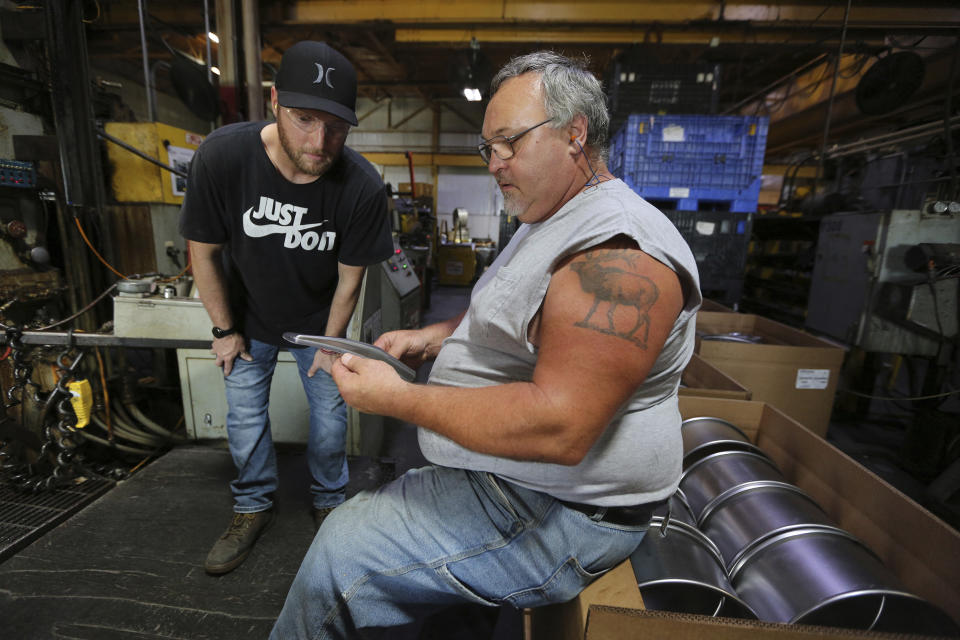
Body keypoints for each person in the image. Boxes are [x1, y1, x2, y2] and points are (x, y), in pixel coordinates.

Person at [270, 50, 702, 638]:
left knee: (340, 551)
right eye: (487, 148)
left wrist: (397, 399)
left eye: (509, 143)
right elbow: (520, 320)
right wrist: (434, 337)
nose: (495, 163)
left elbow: (561, 425)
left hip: (562, 511)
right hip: (516, 482)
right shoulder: (550, 219)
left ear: (576, 134)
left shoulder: (617, 254)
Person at [178, 41, 394, 576]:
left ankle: (328, 501)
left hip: (317, 323)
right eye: (304, 120)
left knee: (329, 414)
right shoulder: (223, 156)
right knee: (246, 415)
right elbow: (202, 252)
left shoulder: (362, 186)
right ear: (275, 101)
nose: (320, 142)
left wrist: (329, 342)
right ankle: (252, 507)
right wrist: (224, 329)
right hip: (247, 318)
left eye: (337, 128)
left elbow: (350, 280)